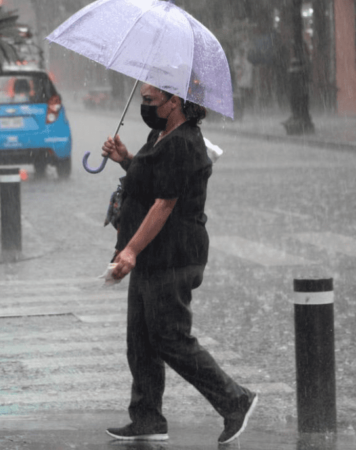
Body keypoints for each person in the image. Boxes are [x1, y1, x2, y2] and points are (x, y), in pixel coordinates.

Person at [101, 83, 258, 445]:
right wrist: (126, 159)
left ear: (175, 103)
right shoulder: (160, 135)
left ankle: (235, 400)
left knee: (170, 337)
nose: (145, 105)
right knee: (140, 338)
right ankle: (147, 417)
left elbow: (164, 203)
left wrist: (131, 251)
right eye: (142, 99)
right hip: (155, 255)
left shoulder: (184, 143)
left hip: (174, 255)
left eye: (151, 100)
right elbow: (148, 181)